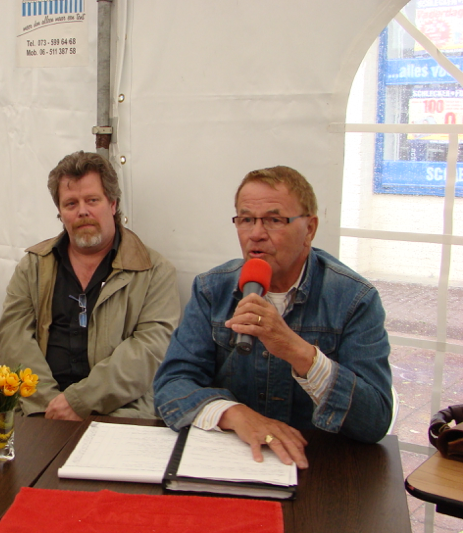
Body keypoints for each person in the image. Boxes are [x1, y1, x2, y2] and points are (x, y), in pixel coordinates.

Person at [153, 165, 393, 469]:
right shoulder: (212, 289)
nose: (256, 234)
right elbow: (171, 386)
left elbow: (375, 420)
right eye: (246, 220)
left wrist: (297, 352)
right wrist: (236, 415)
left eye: (274, 220)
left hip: (318, 466)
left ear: (309, 229)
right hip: (234, 458)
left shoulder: (354, 298)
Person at [0, 151, 180, 420]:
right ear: (60, 213)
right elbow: (11, 339)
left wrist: (78, 402)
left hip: (120, 413)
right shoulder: (33, 266)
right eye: (71, 203)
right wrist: (49, 406)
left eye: (92, 200)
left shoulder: (154, 272)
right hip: (39, 411)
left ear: (113, 204)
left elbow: (150, 350)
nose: (82, 211)